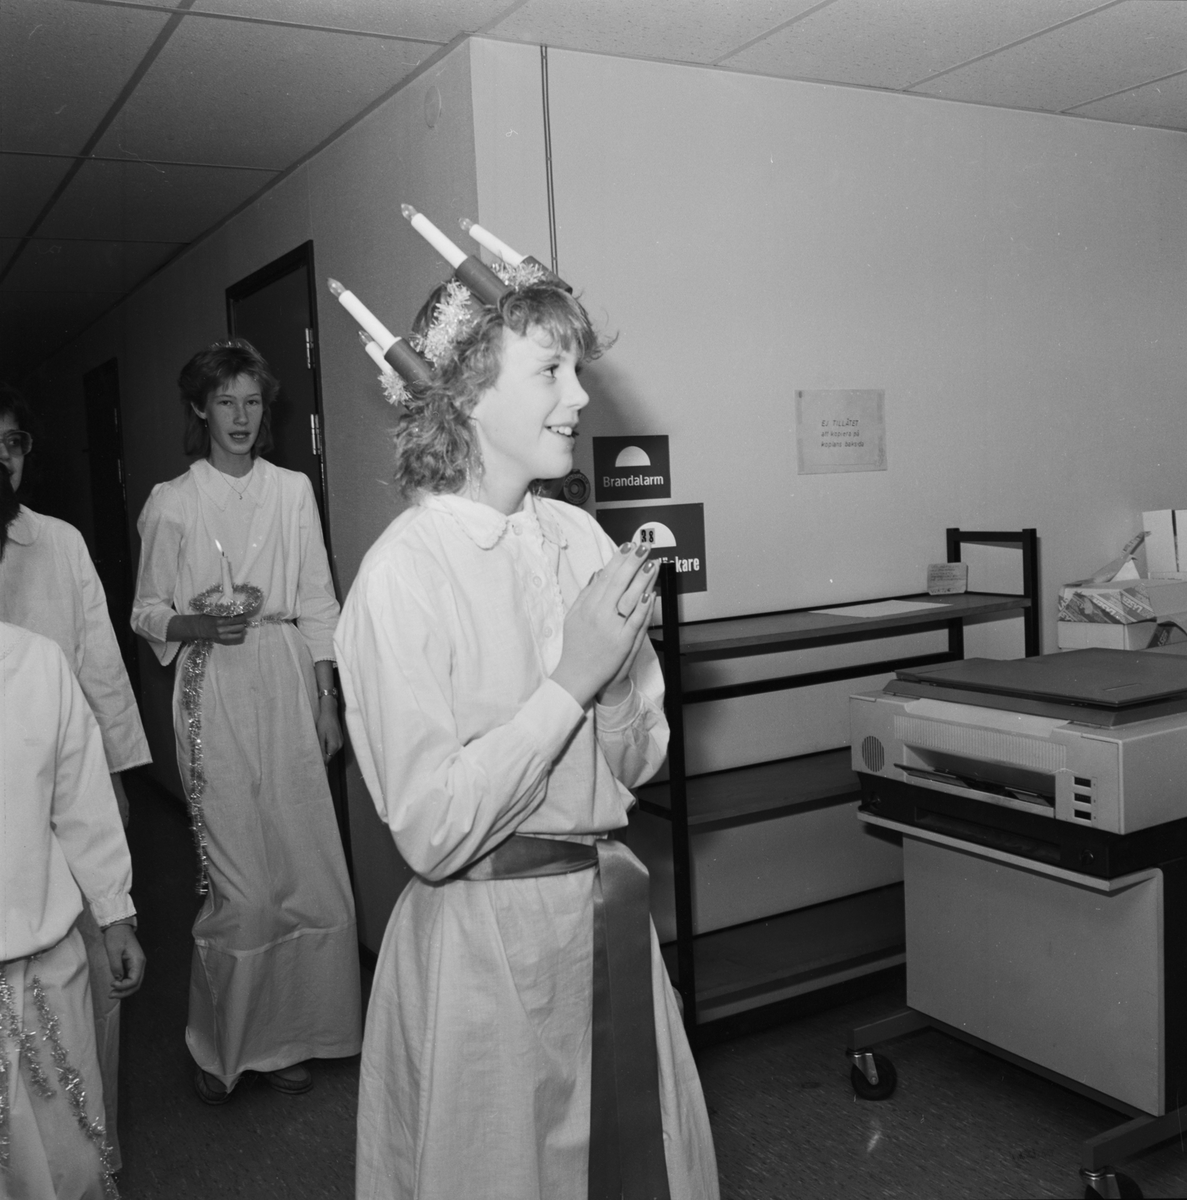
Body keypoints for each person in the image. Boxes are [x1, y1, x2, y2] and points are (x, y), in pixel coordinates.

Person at [336, 278, 720, 1198]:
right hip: (482, 947)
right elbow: (432, 829)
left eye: (576, 368)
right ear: (467, 394)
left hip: (604, 916)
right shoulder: (402, 576)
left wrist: (618, 682)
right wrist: (572, 680)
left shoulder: (580, 537)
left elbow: (639, 760)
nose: (580, 395)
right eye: (551, 369)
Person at [130, 339, 360, 1105]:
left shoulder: (292, 490)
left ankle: (292, 1035)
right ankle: (226, 1043)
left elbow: (319, 599)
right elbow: (145, 610)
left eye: (252, 401)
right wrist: (193, 626)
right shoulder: (172, 501)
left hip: (287, 678)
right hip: (212, 686)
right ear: (200, 408)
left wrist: (327, 699)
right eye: (225, 401)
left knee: (307, 873)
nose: (240, 416)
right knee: (246, 891)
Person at [0, 385, 151, 1170]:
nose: (4, 459)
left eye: (13, 443)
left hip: (62, 777)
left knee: (84, 986)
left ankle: (96, 1149)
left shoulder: (57, 543)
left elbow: (99, 663)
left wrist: (116, 772)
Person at [0, 618, 146, 1200]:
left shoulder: (36, 662)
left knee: (74, 1163)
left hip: (47, 970)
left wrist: (115, 914)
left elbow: (82, 800)